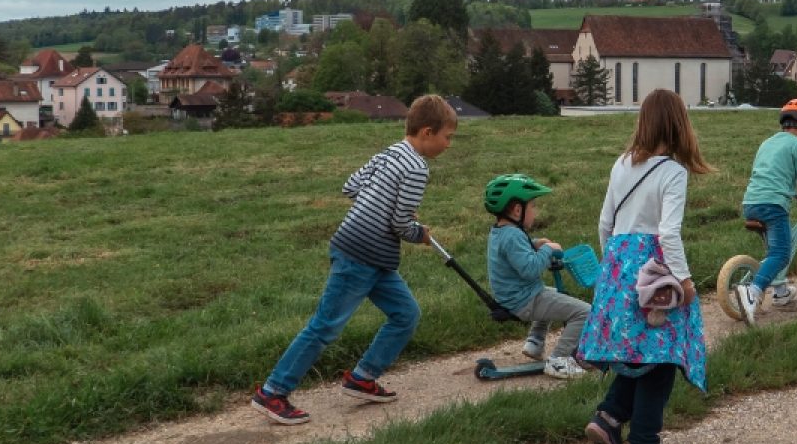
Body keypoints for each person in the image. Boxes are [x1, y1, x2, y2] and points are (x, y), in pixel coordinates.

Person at [250, 95, 458, 424]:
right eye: (448, 137)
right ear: (427, 132)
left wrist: (382, 199)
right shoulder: (418, 167)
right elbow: (401, 224)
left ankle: (362, 378)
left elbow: (351, 186)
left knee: (406, 314)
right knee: (324, 327)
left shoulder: (390, 152)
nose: (448, 145)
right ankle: (272, 392)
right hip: (360, 254)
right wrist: (420, 232)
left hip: (373, 257)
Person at [576, 89, 712, 444]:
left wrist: (613, 268)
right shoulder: (673, 172)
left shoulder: (622, 164)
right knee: (661, 356)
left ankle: (609, 417)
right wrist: (684, 281)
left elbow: (605, 222)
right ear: (679, 124)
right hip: (655, 271)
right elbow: (669, 233)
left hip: (618, 266)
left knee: (638, 353)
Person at [732, 97, 797, 325]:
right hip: (773, 204)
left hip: (750, 203)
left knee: (774, 248)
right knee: (781, 253)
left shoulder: (767, 142)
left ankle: (780, 292)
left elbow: (769, 173)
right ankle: (753, 291)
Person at [483, 173, 591, 379]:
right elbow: (530, 268)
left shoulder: (502, 232)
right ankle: (559, 359)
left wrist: (534, 244)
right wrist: (548, 249)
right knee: (584, 312)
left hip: (514, 296)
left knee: (552, 294)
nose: (535, 211)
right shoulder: (513, 235)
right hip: (524, 300)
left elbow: (514, 252)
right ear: (517, 210)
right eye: (532, 206)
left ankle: (534, 342)